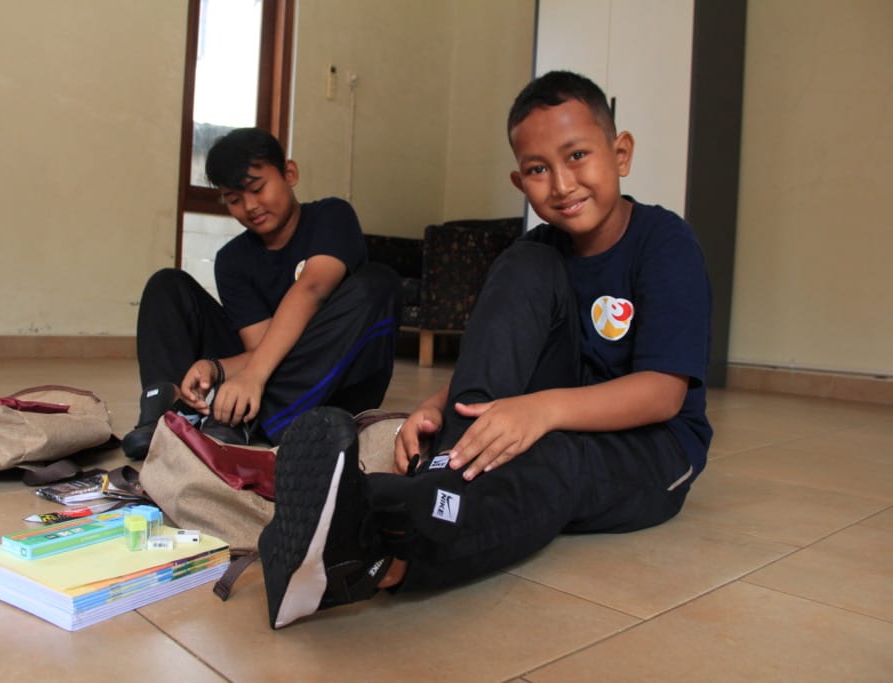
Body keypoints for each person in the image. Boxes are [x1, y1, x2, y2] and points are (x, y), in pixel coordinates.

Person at [256, 70, 713, 629]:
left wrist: (540, 411)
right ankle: (442, 471)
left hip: (651, 445)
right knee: (524, 266)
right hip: (554, 412)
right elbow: (497, 351)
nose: (562, 185)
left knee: (550, 463)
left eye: (577, 156)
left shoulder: (665, 242)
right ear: (521, 183)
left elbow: (665, 395)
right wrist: (439, 404)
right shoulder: (539, 250)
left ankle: (377, 562)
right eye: (540, 170)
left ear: (621, 154)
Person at [121, 127, 401, 459]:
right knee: (166, 285)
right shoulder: (232, 260)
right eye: (235, 200)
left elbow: (311, 288)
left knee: (378, 283)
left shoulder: (332, 216)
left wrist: (249, 376)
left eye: (257, 189)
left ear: (289, 173)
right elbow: (261, 345)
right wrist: (217, 368)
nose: (250, 206)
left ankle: (245, 415)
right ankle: (167, 415)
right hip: (269, 369)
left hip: (338, 380)